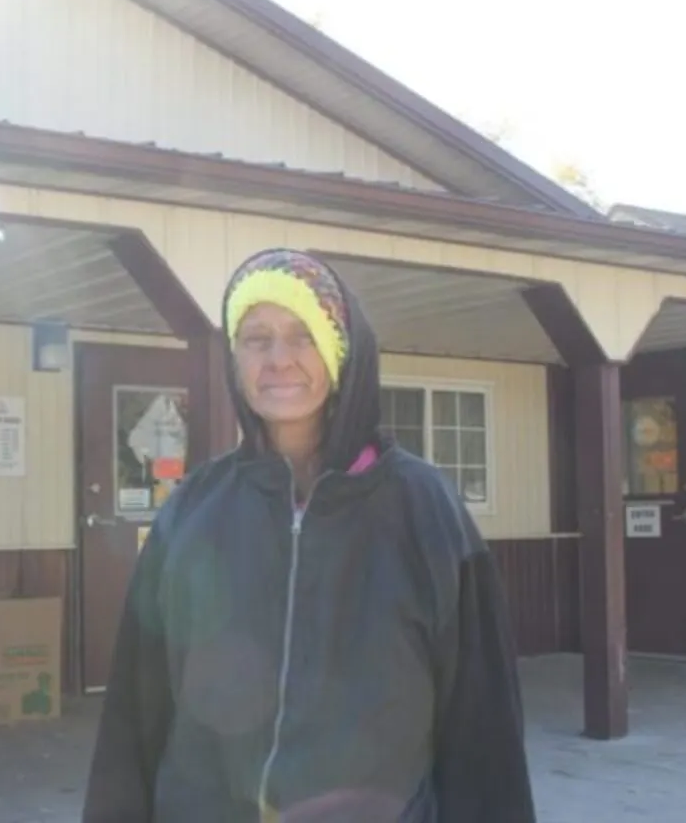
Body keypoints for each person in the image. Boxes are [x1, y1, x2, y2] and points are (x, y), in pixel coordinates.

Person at [81, 248, 535, 822]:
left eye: (302, 335)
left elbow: (483, 726)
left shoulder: (426, 510)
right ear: (234, 358)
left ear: (342, 350)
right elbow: (135, 715)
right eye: (256, 337)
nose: (279, 358)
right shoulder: (192, 511)